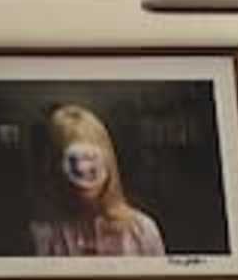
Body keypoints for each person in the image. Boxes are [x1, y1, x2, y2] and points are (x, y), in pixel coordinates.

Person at [27, 103, 166, 261]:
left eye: (89, 157)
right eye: (71, 160)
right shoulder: (44, 235)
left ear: (108, 162)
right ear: (53, 168)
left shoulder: (142, 231)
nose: (81, 168)